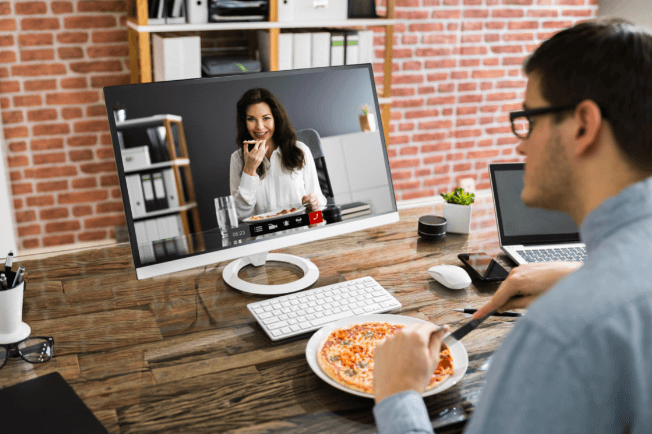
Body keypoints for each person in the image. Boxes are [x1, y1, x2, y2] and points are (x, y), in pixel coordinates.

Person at [373, 18, 652, 433]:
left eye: (532, 120)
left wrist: (398, 395)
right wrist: (577, 275)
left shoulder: (559, 335)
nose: (520, 143)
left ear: (583, 125)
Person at [229, 88, 327, 220]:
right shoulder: (237, 159)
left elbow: (319, 203)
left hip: (300, 231)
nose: (260, 126)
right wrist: (249, 170)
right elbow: (240, 216)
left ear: (276, 118)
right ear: (244, 122)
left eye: (266, 118)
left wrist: (314, 204)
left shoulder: (301, 150)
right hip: (264, 237)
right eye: (251, 119)